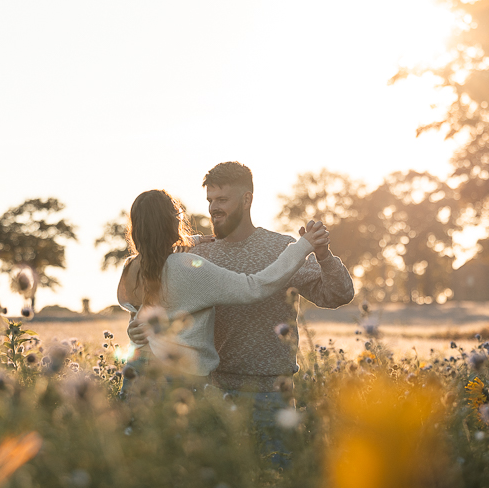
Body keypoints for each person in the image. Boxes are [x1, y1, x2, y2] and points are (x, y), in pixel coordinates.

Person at [128, 162, 355, 465]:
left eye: (222, 200)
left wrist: (323, 254)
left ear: (247, 199)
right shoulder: (195, 255)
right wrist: (137, 326)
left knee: (278, 477)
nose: (213, 209)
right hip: (212, 395)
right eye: (209, 201)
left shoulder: (282, 247)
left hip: (272, 393)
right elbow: (155, 300)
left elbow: (338, 294)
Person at [117, 189, 329, 382]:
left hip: (136, 374)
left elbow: (138, 314)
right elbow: (254, 287)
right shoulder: (185, 267)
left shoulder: (131, 266)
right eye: (178, 217)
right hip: (176, 380)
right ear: (170, 222)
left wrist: (197, 240)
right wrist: (303, 246)